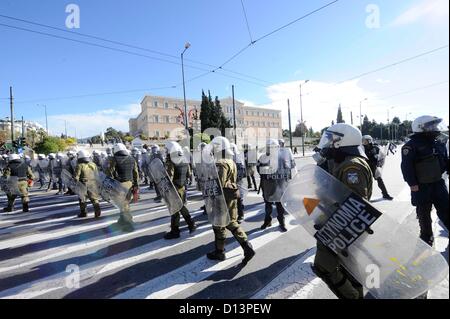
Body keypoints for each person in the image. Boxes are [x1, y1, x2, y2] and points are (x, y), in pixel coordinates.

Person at [312, 123, 373, 299]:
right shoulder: (344, 162)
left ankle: (352, 297)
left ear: (341, 141)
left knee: (324, 266)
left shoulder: (351, 166)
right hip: (341, 224)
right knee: (349, 268)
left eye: (331, 140)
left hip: (343, 226)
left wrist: (328, 223)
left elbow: (354, 204)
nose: (328, 144)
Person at [206, 137, 255, 265]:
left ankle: (220, 252)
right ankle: (246, 246)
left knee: (218, 225)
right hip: (231, 196)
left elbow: (218, 184)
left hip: (222, 199)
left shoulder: (220, 163)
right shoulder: (230, 161)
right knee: (231, 222)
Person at [401, 116, 449, 247]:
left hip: (438, 183)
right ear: (421, 128)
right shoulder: (410, 146)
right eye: (431, 126)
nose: (435, 128)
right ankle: (426, 237)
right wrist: (412, 184)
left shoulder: (437, 142)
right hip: (421, 186)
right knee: (423, 213)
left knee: (446, 208)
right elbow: (406, 167)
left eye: (434, 125)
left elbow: (444, 160)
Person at [163, 141, 197, 240]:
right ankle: (191, 224)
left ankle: (175, 231)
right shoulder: (184, 159)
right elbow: (188, 174)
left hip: (174, 188)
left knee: (175, 210)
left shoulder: (171, 161)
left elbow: (169, 177)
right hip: (182, 187)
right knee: (181, 207)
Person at [257, 139, 289, 233]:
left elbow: (286, 170)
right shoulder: (262, 158)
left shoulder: (282, 158)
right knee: (268, 204)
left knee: (280, 205)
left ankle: (282, 222)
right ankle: (267, 221)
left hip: (279, 184)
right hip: (268, 185)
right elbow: (259, 170)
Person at [107, 143, 139, 232]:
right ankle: (122, 220)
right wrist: (136, 185)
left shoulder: (113, 159)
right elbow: (136, 173)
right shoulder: (132, 159)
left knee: (124, 206)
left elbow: (110, 172)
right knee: (125, 204)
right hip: (130, 184)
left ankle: (129, 224)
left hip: (119, 184)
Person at [362, 135, 393, 200]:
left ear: (369, 141)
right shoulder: (362, 148)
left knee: (379, 180)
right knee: (364, 182)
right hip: (365, 166)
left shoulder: (375, 148)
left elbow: (382, 156)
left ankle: (385, 194)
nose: (364, 142)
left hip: (374, 166)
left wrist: (380, 162)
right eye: (363, 141)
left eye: (365, 141)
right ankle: (364, 196)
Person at [74, 150, 102, 218]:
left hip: (83, 183)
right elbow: (97, 175)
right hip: (93, 183)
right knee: (94, 198)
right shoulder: (93, 164)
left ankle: (84, 213)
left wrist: (75, 182)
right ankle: (97, 211)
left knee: (82, 199)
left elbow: (76, 176)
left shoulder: (79, 165)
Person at [230, 143, 246, 224]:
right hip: (229, 182)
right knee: (230, 199)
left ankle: (241, 215)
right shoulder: (226, 158)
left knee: (239, 198)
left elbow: (242, 171)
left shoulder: (238, 158)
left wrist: (235, 180)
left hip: (236, 182)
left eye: (232, 148)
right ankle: (232, 216)